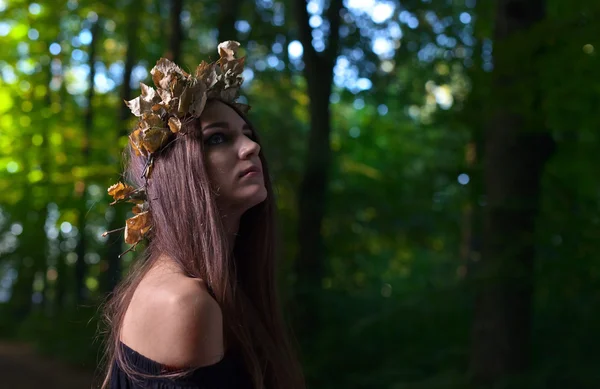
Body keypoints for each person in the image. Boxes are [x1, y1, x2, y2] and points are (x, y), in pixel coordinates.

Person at [98, 41, 305, 389]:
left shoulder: (221, 290)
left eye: (248, 134)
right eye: (217, 139)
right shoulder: (183, 302)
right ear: (176, 172)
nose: (252, 147)